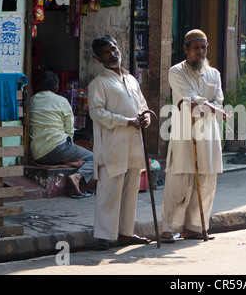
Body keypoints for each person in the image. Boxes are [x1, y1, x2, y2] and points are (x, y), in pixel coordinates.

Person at [160, 29, 230, 243]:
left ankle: (195, 227)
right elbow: (188, 99)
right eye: (196, 48)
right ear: (186, 49)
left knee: (207, 180)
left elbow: (218, 101)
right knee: (180, 180)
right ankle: (169, 229)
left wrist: (205, 106)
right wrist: (208, 107)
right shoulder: (176, 72)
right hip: (184, 133)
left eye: (204, 47)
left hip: (208, 133)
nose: (201, 52)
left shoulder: (214, 73)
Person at [88, 35, 151, 250]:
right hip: (113, 144)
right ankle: (104, 236)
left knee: (130, 190)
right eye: (107, 52)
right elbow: (96, 113)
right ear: (99, 59)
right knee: (109, 189)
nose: (113, 54)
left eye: (115, 49)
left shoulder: (132, 79)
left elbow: (142, 105)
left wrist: (145, 118)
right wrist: (125, 121)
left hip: (133, 143)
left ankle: (125, 233)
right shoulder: (99, 83)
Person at [29, 71, 94, 198]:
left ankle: (72, 161)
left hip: (37, 154)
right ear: (57, 87)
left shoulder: (32, 100)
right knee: (95, 157)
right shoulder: (62, 101)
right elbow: (69, 130)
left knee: (67, 151)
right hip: (59, 148)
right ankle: (77, 177)